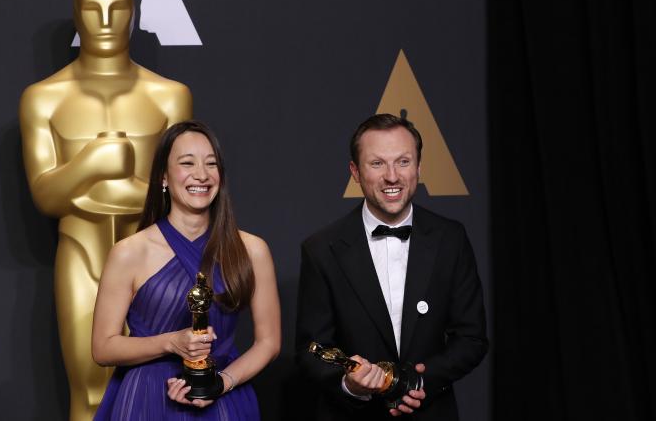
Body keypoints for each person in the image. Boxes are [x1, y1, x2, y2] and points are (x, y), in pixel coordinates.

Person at [19, 0, 192, 420]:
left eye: (117, 9)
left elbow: (184, 194)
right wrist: (91, 163)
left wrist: (94, 184)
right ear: (77, 15)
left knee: (167, 387)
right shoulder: (44, 99)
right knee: (91, 394)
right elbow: (46, 197)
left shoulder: (170, 96)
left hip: (156, 258)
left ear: (133, 14)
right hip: (82, 251)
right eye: (92, 10)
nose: (105, 21)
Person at [295, 114, 487, 420]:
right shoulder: (321, 249)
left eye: (403, 162)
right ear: (355, 172)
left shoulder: (451, 238)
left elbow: (472, 338)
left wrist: (420, 382)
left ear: (419, 168)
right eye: (377, 164)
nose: (392, 176)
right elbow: (311, 349)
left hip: (431, 412)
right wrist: (350, 384)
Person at [92, 121, 281, 420]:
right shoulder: (129, 252)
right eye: (187, 163)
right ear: (164, 177)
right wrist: (171, 342)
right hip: (147, 399)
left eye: (211, 164)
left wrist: (224, 382)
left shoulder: (252, 250)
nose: (202, 175)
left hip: (224, 397)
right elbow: (103, 348)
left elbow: (269, 342)